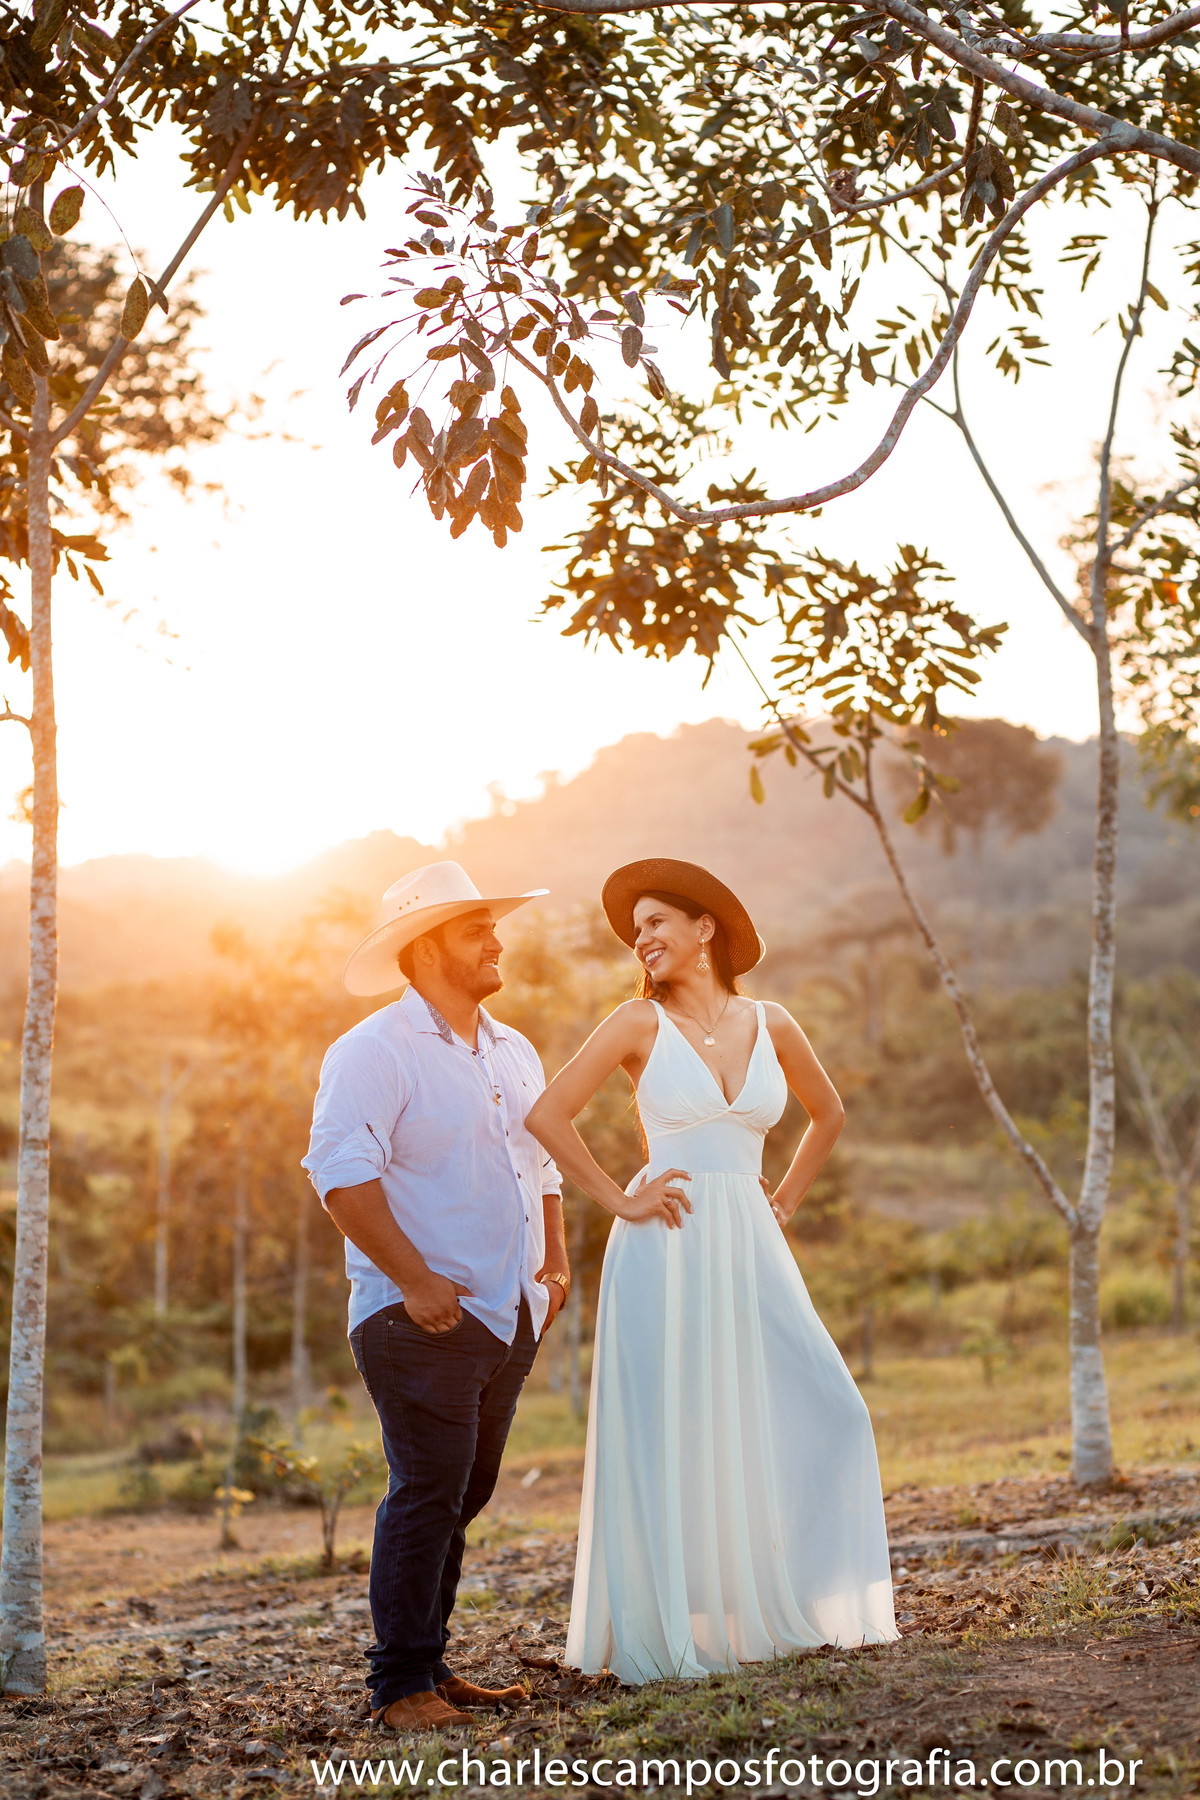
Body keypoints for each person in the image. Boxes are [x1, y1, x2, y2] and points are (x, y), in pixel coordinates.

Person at [525, 857, 897, 1686]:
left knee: (831, 1407)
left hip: (751, 1242)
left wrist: (785, 1200)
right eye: (636, 929)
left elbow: (828, 1113)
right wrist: (619, 1200)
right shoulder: (634, 1024)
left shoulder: (773, 1022)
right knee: (674, 1428)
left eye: (657, 921)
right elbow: (546, 1114)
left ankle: (783, 1600)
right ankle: (674, 1628)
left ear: (706, 929)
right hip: (665, 1244)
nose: (641, 937)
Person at [303, 860, 572, 1732]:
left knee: (465, 1489)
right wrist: (415, 1282)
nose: (497, 941)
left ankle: (430, 1664)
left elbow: (543, 1165)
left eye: (495, 926)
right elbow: (341, 1176)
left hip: (509, 1310)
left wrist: (558, 1262)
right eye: (474, 930)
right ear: (423, 952)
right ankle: (398, 1689)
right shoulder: (373, 1050)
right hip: (418, 1316)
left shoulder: (514, 1048)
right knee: (427, 1488)